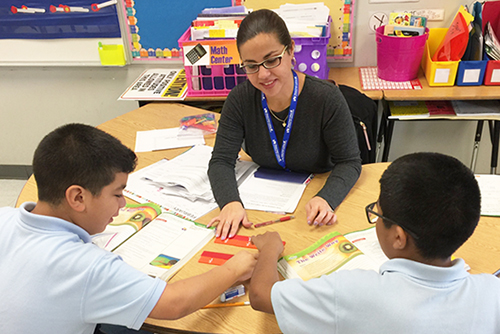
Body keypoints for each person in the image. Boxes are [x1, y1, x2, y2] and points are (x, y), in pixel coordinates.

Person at [0, 123, 256, 334]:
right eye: (117, 193)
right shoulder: (87, 267)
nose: (123, 204)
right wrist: (235, 267)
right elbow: (175, 303)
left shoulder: (4, 218)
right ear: (78, 197)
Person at [249, 152, 500, 333]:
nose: (376, 220)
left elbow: (261, 296)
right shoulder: (492, 292)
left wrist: (271, 249)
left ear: (399, 238)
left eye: (377, 213)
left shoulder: (354, 292)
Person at [207, 9, 361, 240]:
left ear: (290, 50)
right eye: (251, 66)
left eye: (271, 60)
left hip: (312, 203)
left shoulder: (325, 99)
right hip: (263, 206)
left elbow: (349, 162)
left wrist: (326, 197)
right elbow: (220, 160)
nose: (263, 75)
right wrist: (229, 202)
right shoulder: (240, 99)